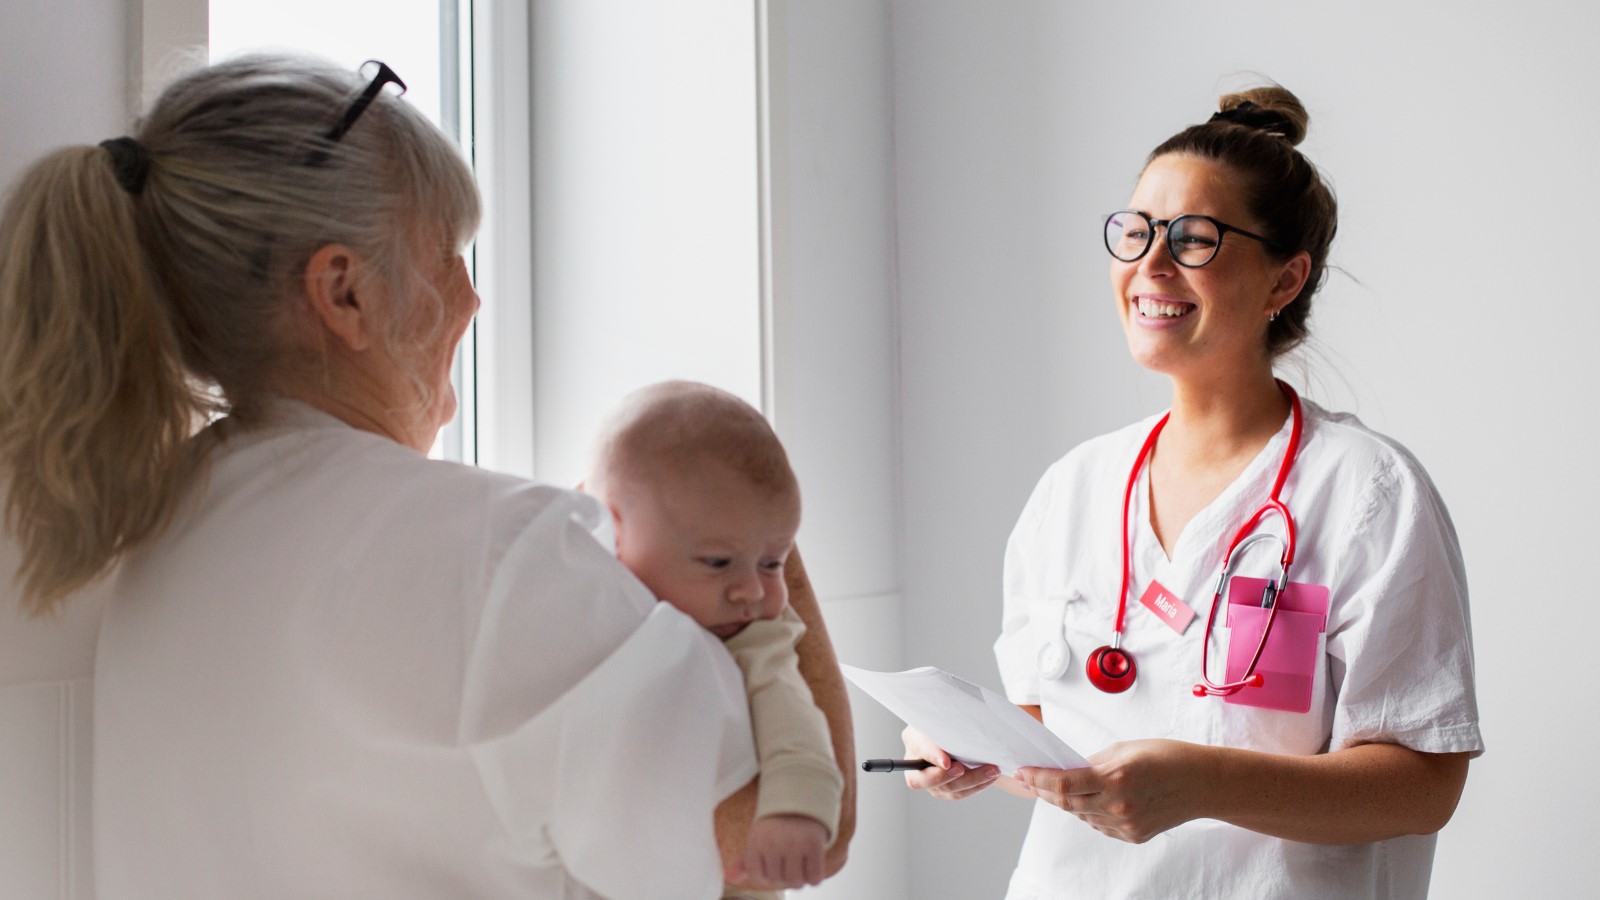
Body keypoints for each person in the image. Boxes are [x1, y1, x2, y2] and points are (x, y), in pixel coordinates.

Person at [0, 53, 852, 899]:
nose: (473, 298)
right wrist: (748, 528)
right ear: (345, 294)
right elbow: (797, 825)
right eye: (446, 253)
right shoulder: (504, 557)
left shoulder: (166, 530)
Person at [902, 86, 1483, 899]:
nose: (1150, 265)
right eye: (1135, 232)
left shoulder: (1366, 493)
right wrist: (976, 749)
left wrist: (1202, 783)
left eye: (1195, 239)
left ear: (1285, 279)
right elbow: (1057, 741)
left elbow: (1424, 784)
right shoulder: (1074, 489)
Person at [587, 380, 844, 898]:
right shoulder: (586, 592)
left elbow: (792, 716)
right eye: (718, 563)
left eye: (773, 562)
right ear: (615, 529)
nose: (751, 591)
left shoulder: (758, 636)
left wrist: (795, 810)